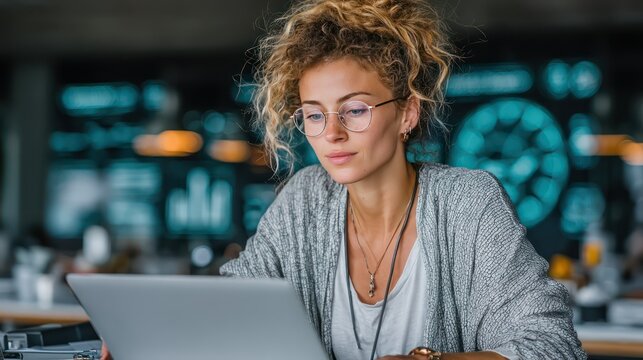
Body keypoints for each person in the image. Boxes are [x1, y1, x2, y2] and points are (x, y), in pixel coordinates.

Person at [102, 0, 586, 359]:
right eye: (314, 115)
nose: (331, 133)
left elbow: (551, 345)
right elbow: (235, 306)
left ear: (407, 114)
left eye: (354, 109)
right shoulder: (304, 201)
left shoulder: (466, 203)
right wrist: (154, 337)